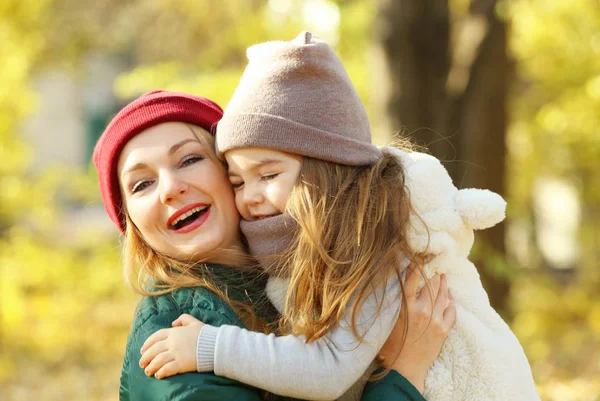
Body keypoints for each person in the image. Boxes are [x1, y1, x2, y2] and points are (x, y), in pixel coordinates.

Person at [138, 32, 456, 401]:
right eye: (238, 181)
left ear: (326, 169)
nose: (251, 197)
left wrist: (211, 346)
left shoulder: (369, 243)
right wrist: (405, 372)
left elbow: (326, 368)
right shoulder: (171, 316)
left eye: (269, 175)